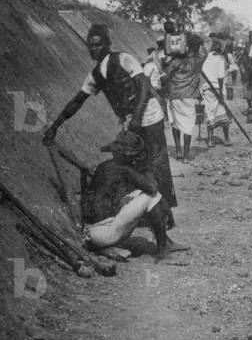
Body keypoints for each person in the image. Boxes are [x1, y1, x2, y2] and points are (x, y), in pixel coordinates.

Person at [42, 23, 182, 234]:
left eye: (98, 44)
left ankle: (165, 220)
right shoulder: (96, 75)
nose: (95, 49)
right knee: (137, 168)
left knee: (157, 165)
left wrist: (137, 116)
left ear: (107, 44)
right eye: (91, 46)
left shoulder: (123, 59)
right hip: (131, 121)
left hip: (149, 115)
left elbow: (144, 87)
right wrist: (55, 126)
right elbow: (77, 101)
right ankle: (146, 213)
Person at [81, 131, 177, 261]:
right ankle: (163, 249)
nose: (135, 159)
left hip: (90, 233)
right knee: (151, 196)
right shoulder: (123, 169)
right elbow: (152, 188)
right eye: (135, 156)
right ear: (127, 155)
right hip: (105, 234)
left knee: (138, 194)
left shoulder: (103, 166)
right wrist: (147, 170)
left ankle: (166, 242)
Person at [163, 33, 204, 161]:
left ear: (187, 45)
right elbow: (208, 42)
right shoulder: (199, 60)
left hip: (175, 95)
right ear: (198, 47)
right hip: (190, 96)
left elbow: (165, 77)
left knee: (176, 123)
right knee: (187, 126)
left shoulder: (176, 61)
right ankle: (186, 156)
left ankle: (178, 150)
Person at [201, 38, 231, 146]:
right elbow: (221, 76)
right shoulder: (221, 58)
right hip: (218, 88)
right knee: (224, 113)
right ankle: (227, 139)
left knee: (210, 113)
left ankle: (210, 140)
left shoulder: (206, 58)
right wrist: (220, 94)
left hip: (207, 89)